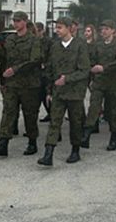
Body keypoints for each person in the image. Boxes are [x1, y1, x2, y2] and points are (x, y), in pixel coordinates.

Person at [38, 16, 90, 166]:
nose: (57, 31)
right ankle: (48, 154)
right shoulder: (55, 47)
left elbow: (84, 70)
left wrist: (67, 79)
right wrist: (48, 91)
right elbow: (50, 71)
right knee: (54, 122)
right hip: (58, 92)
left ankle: (75, 150)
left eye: (60, 28)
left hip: (75, 92)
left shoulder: (80, 46)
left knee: (75, 123)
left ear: (68, 28)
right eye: (56, 28)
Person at [0, 11, 42, 157]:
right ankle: (3, 144)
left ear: (25, 22)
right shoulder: (10, 39)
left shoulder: (33, 40)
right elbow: (5, 61)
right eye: (14, 21)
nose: (16, 23)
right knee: (8, 112)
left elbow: (35, 60)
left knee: (29, 114)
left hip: (29, 84)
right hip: (12, 84)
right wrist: (3, 80)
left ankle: (32, 142)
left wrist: (15, 70)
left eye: (19, 21)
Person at [82, 19, 116, 151]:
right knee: (93, 108)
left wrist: (104, 67)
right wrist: (91, 72)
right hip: (99, 83)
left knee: (112, 110)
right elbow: (91, 61)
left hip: (113, 83)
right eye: (102, 29)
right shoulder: (98, 45)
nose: (103, 31)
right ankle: (86, 135)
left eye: (106, 29)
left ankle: (113, 138)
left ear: (113, 31)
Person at [35, 21, 52, 122]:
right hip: (36, 73)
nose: (37, 33)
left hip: (46, 72)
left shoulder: (48, 41)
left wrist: (46, 65)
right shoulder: (34, 41)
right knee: (39, 96)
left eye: (38, 31)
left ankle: (51, 113)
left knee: (46, 94)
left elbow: (51, 55)